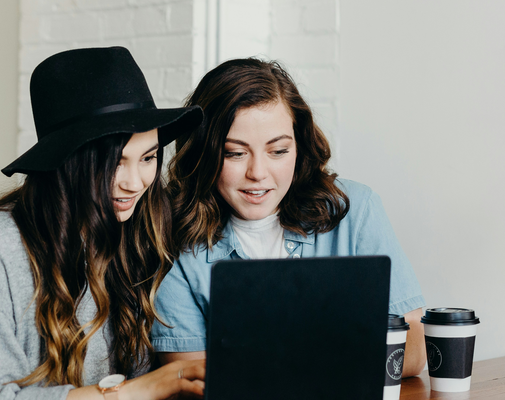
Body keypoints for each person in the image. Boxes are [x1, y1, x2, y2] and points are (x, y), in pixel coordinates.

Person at [0, 47, 207, 399]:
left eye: (148, 157)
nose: (135, 182)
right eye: (115, 163)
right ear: (69, 162)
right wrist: (140, 390)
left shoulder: (138, 233)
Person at [151, 58, 427, 377]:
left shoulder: (355, 209)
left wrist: (272, 365)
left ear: (299, 145)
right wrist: (335, 354)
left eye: (278, 151)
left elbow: (413, 349)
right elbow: (188, 378)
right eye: (235, 153)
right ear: (204, 153)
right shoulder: (172, 237)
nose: (258, 173)